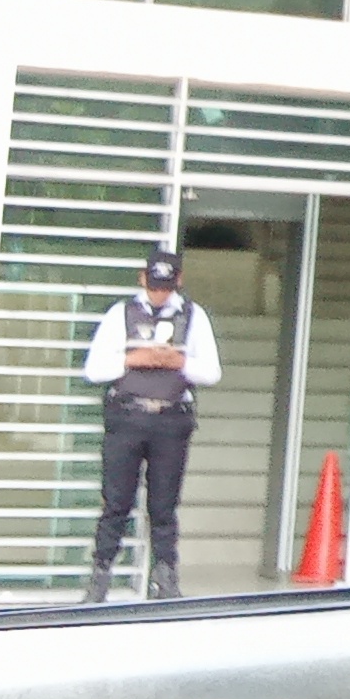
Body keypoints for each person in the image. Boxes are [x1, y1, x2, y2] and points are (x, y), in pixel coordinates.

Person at [79, 246, 222, 603]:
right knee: (116, 503)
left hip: (171, 419)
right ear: (143, 279)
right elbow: (94, 370)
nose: (159, 294)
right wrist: (133, 359)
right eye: (154, 286)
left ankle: (166, 580)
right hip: (127, 416)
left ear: (178, 282)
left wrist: (179, 363)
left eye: (166, 287)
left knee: (163, 507)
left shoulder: (193, 316)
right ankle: (99, 578)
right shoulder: (121, 313)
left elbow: (211, 372)